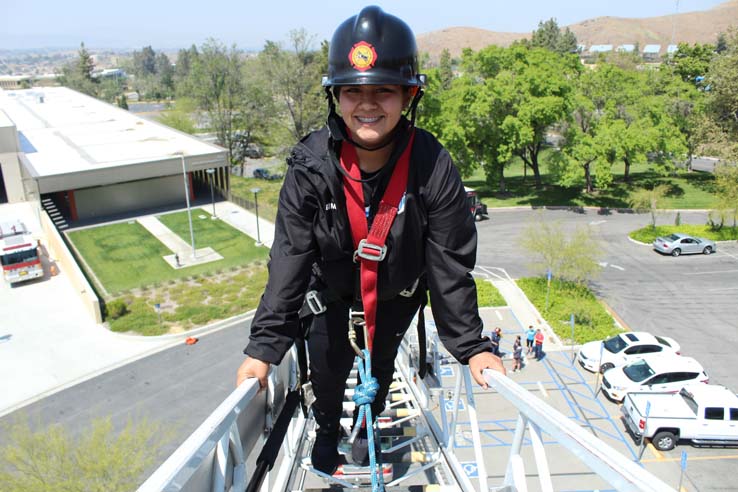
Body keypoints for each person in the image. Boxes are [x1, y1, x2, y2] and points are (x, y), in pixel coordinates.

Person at [235, 6, 505, 476]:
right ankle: (326, 439)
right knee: (329, 371)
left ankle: (369, 426)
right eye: (354, 91)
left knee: (377, 374)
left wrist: (471, 345)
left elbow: (449, 267)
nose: (368, 103)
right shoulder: (310, 166)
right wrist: (263, 349)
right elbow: (290, 260)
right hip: (331, 300)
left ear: (408, 96)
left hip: (395, 300)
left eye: (384, 90)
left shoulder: (432, 166)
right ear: (336, 97)